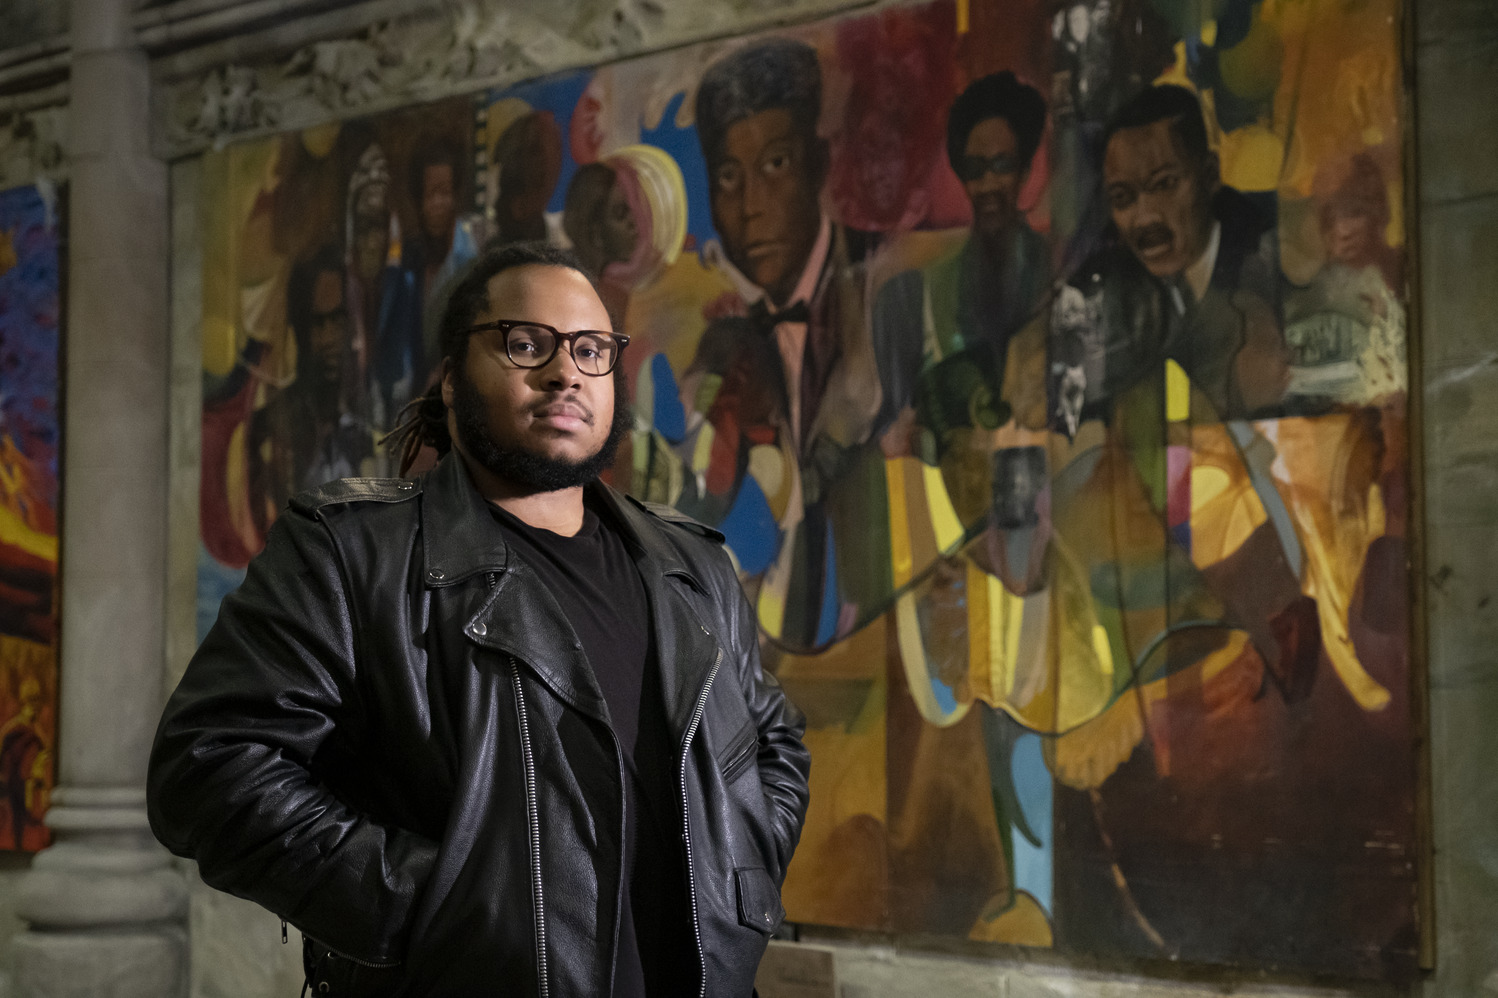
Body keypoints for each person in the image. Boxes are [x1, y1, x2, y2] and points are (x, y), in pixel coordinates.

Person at [148, 243, 811, 997]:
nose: (566, 372)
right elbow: (210, 767)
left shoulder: (692, 565)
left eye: (591, 349)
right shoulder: (355, 551)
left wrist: (738, 879)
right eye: (526, 343)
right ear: (453, 374)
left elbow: (773, 742)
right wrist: (443, 910)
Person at [1050, 84, 1289, 431]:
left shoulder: (1277, 260)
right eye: (1123, 198)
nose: (1145, 217)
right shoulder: (1095, 292)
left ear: (1209, 175)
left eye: (1163, 185)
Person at [873, 71, 1052, 444]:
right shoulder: (910, 300)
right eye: (974, 170)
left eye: (1002, 165)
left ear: (1024, 170)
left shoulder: (1054, 271)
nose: (987, 184)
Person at [248, 243, 375, 535]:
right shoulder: (270, 431)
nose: (330, 338)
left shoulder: (361, 435)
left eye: (339, 321)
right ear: (298, 329)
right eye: (319, 324)